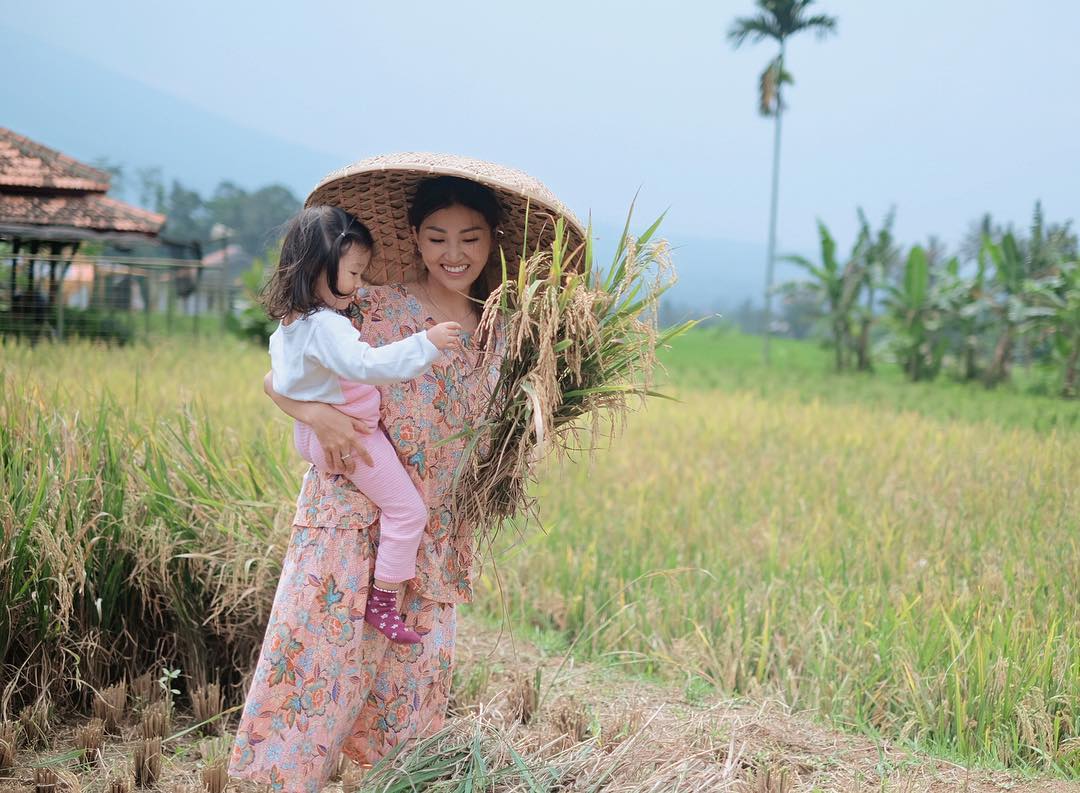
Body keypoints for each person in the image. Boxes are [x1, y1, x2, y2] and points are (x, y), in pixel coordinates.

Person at [229, 154, 584, 793]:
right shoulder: (373, 307)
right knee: (313, 677)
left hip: (433, 538)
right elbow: (277, 373)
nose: (454, 253)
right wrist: (315, 414)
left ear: (493, 241)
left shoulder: (511, 333)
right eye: (437, 237)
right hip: (348, 518)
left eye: (471, 238)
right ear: (414, 238)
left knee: (407, 707)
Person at [263, 205, 462, 644]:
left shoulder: (289, 323)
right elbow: (369, 365)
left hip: (314, 432)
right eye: (352, 274)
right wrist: (425, 343)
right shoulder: (328, 327)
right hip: (353, 436)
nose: (357, 286)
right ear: (318, 267)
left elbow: (275, 381)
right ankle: (384, 602)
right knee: (408, 511)